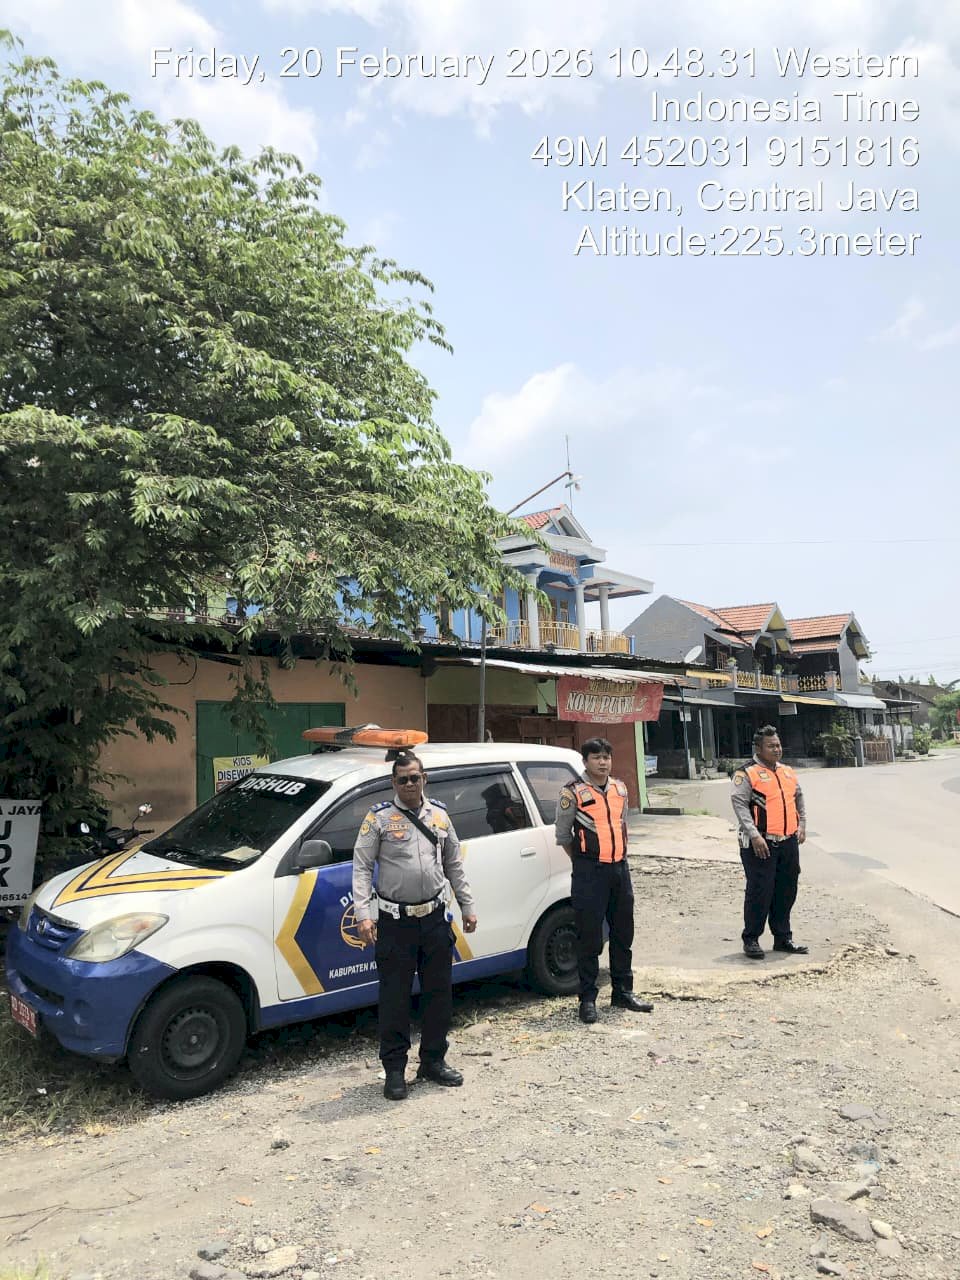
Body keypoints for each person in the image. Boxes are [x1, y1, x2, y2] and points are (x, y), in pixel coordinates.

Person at [353, 752, 478, 1101]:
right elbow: (361, 867)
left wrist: (467, 906)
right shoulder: (378, 819)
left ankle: (433, 1061)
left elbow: (454, 862)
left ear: (425, 779)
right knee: (394, 999)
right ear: (393, 783)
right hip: (396, 923)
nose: (410, 784)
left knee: (439, 994)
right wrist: (364, 914)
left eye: (415, 777)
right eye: (403, 779)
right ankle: (394, 1071)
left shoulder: (439, 815)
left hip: (435, 919)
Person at [555, 737, 653, 1024]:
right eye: (596, 757)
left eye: (606, 757)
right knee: (589, 938)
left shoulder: (620, 789)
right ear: (585, 762)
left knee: (623, 933)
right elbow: (563, 836)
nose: (602, 762)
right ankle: (587, 999)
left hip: (619, 870)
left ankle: (623, 991)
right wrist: (584, 862)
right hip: (589, 872)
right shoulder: (572, 793)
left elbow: (621, 824)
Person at [731, 725, 808, 960]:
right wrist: (754, 835)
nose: (777, 749)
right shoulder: (746, 773)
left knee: (786, 889)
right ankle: (751, 938)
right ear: (758, 748)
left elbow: (798, 796)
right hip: (760, 843)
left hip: (787, 841)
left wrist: (802, 823)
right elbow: (739, 804)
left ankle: (783, 938)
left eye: (778, 745)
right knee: (760, 891)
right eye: (771, 746)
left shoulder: (786, 772)